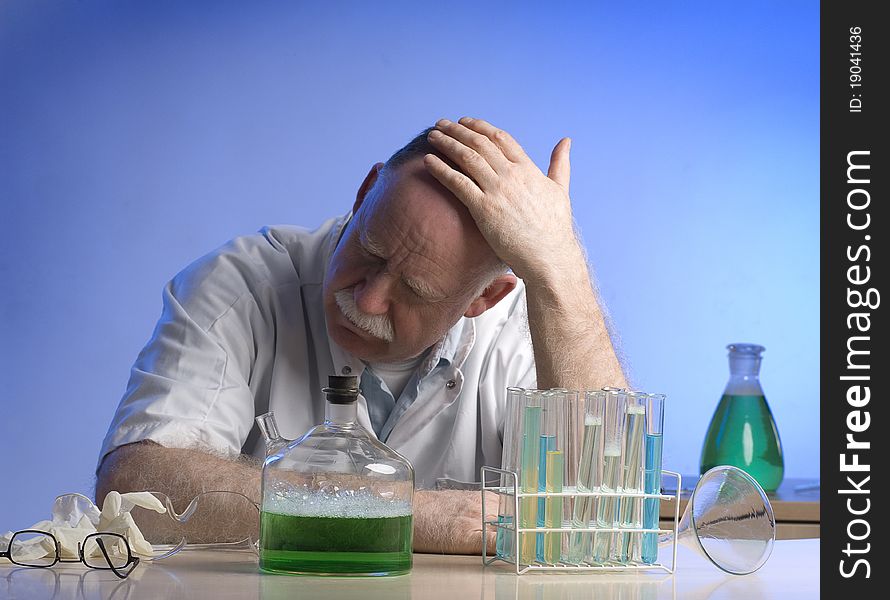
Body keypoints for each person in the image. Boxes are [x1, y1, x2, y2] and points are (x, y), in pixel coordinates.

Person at [95, 117, 628, 554]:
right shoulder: (239, 286)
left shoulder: (529, 324)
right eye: (369, 252)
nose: (366, 301)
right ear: (365, 191)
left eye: (415, 290)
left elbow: (605, 513)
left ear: (481, 300)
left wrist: (562, 273)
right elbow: (136, 488)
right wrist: (404, 512)